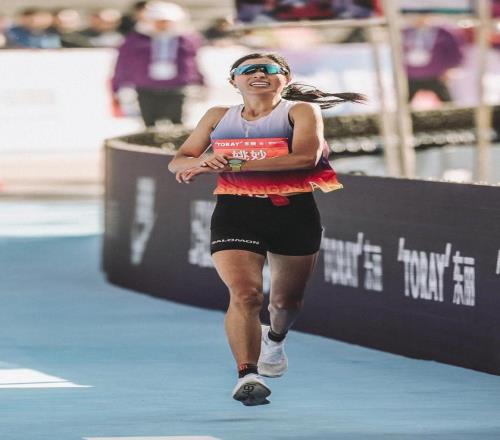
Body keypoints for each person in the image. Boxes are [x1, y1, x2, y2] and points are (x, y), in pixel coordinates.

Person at [168, 52, 365, 406]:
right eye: (248, 69)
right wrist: (204, 159)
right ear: (234, 81)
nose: (259, 73)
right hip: (235, 211)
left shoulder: (300, 111)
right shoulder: (217, 116)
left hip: (293, 211)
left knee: (285, 303)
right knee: (246, 295)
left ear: (285, 79)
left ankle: (274, 338)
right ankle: (248, 375)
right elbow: (179, 160)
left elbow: (303, 158)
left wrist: (232, 164)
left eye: (269, 69)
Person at [111, 1, 205, 127]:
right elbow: (124, 63)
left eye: (166, 21)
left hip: (177, 87)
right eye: (158, 21)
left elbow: (193, 62)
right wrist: (120, 85)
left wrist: (200, 82)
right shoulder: (135, 39)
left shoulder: (186, 39)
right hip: (146, 87)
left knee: (178, 123)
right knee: (149, 124)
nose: (162, 25)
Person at [403, 16, 464, 104]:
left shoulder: (442, 32)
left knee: (449, 104)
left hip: (436, 76)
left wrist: (450, 69)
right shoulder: (405, 32)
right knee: (404, 104)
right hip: (411, 77)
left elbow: (454, 52)